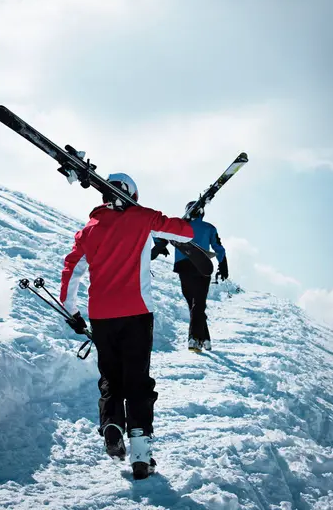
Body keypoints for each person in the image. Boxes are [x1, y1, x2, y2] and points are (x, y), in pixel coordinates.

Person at [60, 173, 194, 480]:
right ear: (133, 194)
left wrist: (72, 310)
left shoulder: (89, 230)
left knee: (111, 377)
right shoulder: (142, 218)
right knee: (137, 381)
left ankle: (112, 425)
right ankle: (141, 454)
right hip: (136, 313)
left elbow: (72, 270)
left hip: (101, 316)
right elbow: (185, 233)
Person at [173, 202, 229, 353]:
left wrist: (159, 246)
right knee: (198, 303)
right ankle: (196, 338)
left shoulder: (178, 225)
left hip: (183, 266)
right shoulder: (209, 227)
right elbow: (218, 247)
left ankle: (204, 339)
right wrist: (223, 264)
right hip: (202, 267)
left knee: (194, 304)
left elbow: (159, 235)